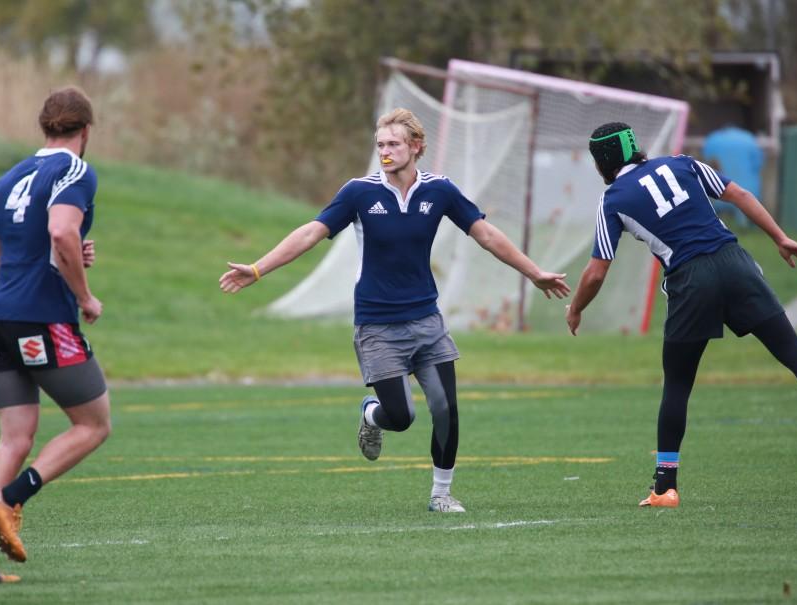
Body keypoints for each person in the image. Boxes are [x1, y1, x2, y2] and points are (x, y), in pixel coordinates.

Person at [220, 108, 569, 513]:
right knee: (402, 417)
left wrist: (534, 273)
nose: (385, 152)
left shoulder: (440, 191)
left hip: (427, 322)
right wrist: (259, 268)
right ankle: (372, 414)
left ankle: (441, 494)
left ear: (416, 147)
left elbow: (486, 235)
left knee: (446, 408)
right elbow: (311, 233)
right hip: (378, 326)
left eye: (393, 144)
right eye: (380, 145)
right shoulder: (359, 193)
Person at [565, 122, 797, 508]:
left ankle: (665, 487)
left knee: (678, 383)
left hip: (690, 277)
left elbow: (597, 270)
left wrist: (576, 308)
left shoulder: (612, 199)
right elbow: (740, 194)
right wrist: (780, 237)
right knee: (792, 350)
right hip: (735, 262)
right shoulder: (683, 163)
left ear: (603, 163)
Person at [0, 86, 111, 583]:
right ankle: (11, 498)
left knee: (13, 439)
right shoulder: (75, 171)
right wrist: (84, 295)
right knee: (93, 424)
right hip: (43, 318)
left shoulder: (8, 178)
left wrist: (63, 251)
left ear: (44, 127)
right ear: (85, 131)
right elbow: (62, 231)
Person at [701, 125, 764, 228]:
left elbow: (707, 160)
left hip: (719, 190)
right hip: (747, 190)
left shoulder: (713, 140)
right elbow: (757, 163)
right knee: (744, 206)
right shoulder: (748, 139)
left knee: (715, 214)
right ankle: (744, 226)